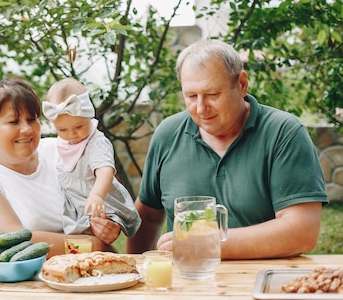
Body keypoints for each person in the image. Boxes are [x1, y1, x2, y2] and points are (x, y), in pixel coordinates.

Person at [127, 39, 329, 260]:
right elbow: (147, 215)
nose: (201, 108)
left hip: (263, 283)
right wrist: (136, 274)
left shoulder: (284, 132)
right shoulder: (167, 133)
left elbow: (302, 232)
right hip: (185, 285)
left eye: (213, 94)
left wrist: (206, 244)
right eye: (191, 96)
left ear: (242, 84)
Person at [0, 77, 123, 257]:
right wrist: (93, 244)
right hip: (25, 282)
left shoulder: (60, 150)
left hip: (92, 273)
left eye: (32, 119)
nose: (26, 129)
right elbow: (13, 242)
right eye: (14, 122)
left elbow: (106, 198)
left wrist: (108, 225)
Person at [42, 77, 140, 238]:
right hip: (77, 202)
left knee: (95, 230)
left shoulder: (96, 143)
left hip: (100, 200)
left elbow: (105, 171)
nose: (71, 134)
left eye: (78, 126)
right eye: (62, 130)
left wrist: (96, 195)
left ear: (89, 115)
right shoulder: (64, 142)